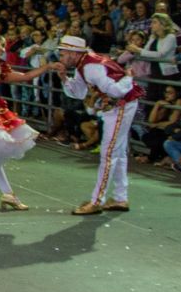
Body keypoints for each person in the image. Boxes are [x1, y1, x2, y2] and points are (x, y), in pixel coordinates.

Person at [0, 33, 61, 210]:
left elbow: (24, 76)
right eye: (1, 45)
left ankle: (8, 194)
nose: (3, 50)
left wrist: (47, 68)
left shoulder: (0, 67)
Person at [55, 35, 143, 214]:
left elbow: (115, 91)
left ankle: (97, 200)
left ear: (73, 53)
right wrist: (64, 78)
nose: (61, 57)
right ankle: (120, 197)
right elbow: (78, 93)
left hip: (120, 105)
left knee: (109, 152)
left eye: (63, 53)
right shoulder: (83, 65)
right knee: (117, 151)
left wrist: (128, 77)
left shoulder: (91, 67)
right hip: (117, 105)